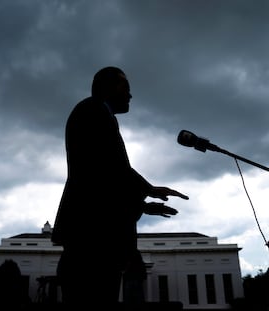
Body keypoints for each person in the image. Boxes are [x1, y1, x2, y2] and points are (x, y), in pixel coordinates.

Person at [51, 66, 188, 308]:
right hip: (93, 234)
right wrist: (148, 190)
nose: (130, 95)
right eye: (126, 87)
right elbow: (109, 169)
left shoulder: (96, 113)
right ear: (107, 86)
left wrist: (143, 204)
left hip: (93, 231)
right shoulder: (93, 110)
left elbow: (105, 181)